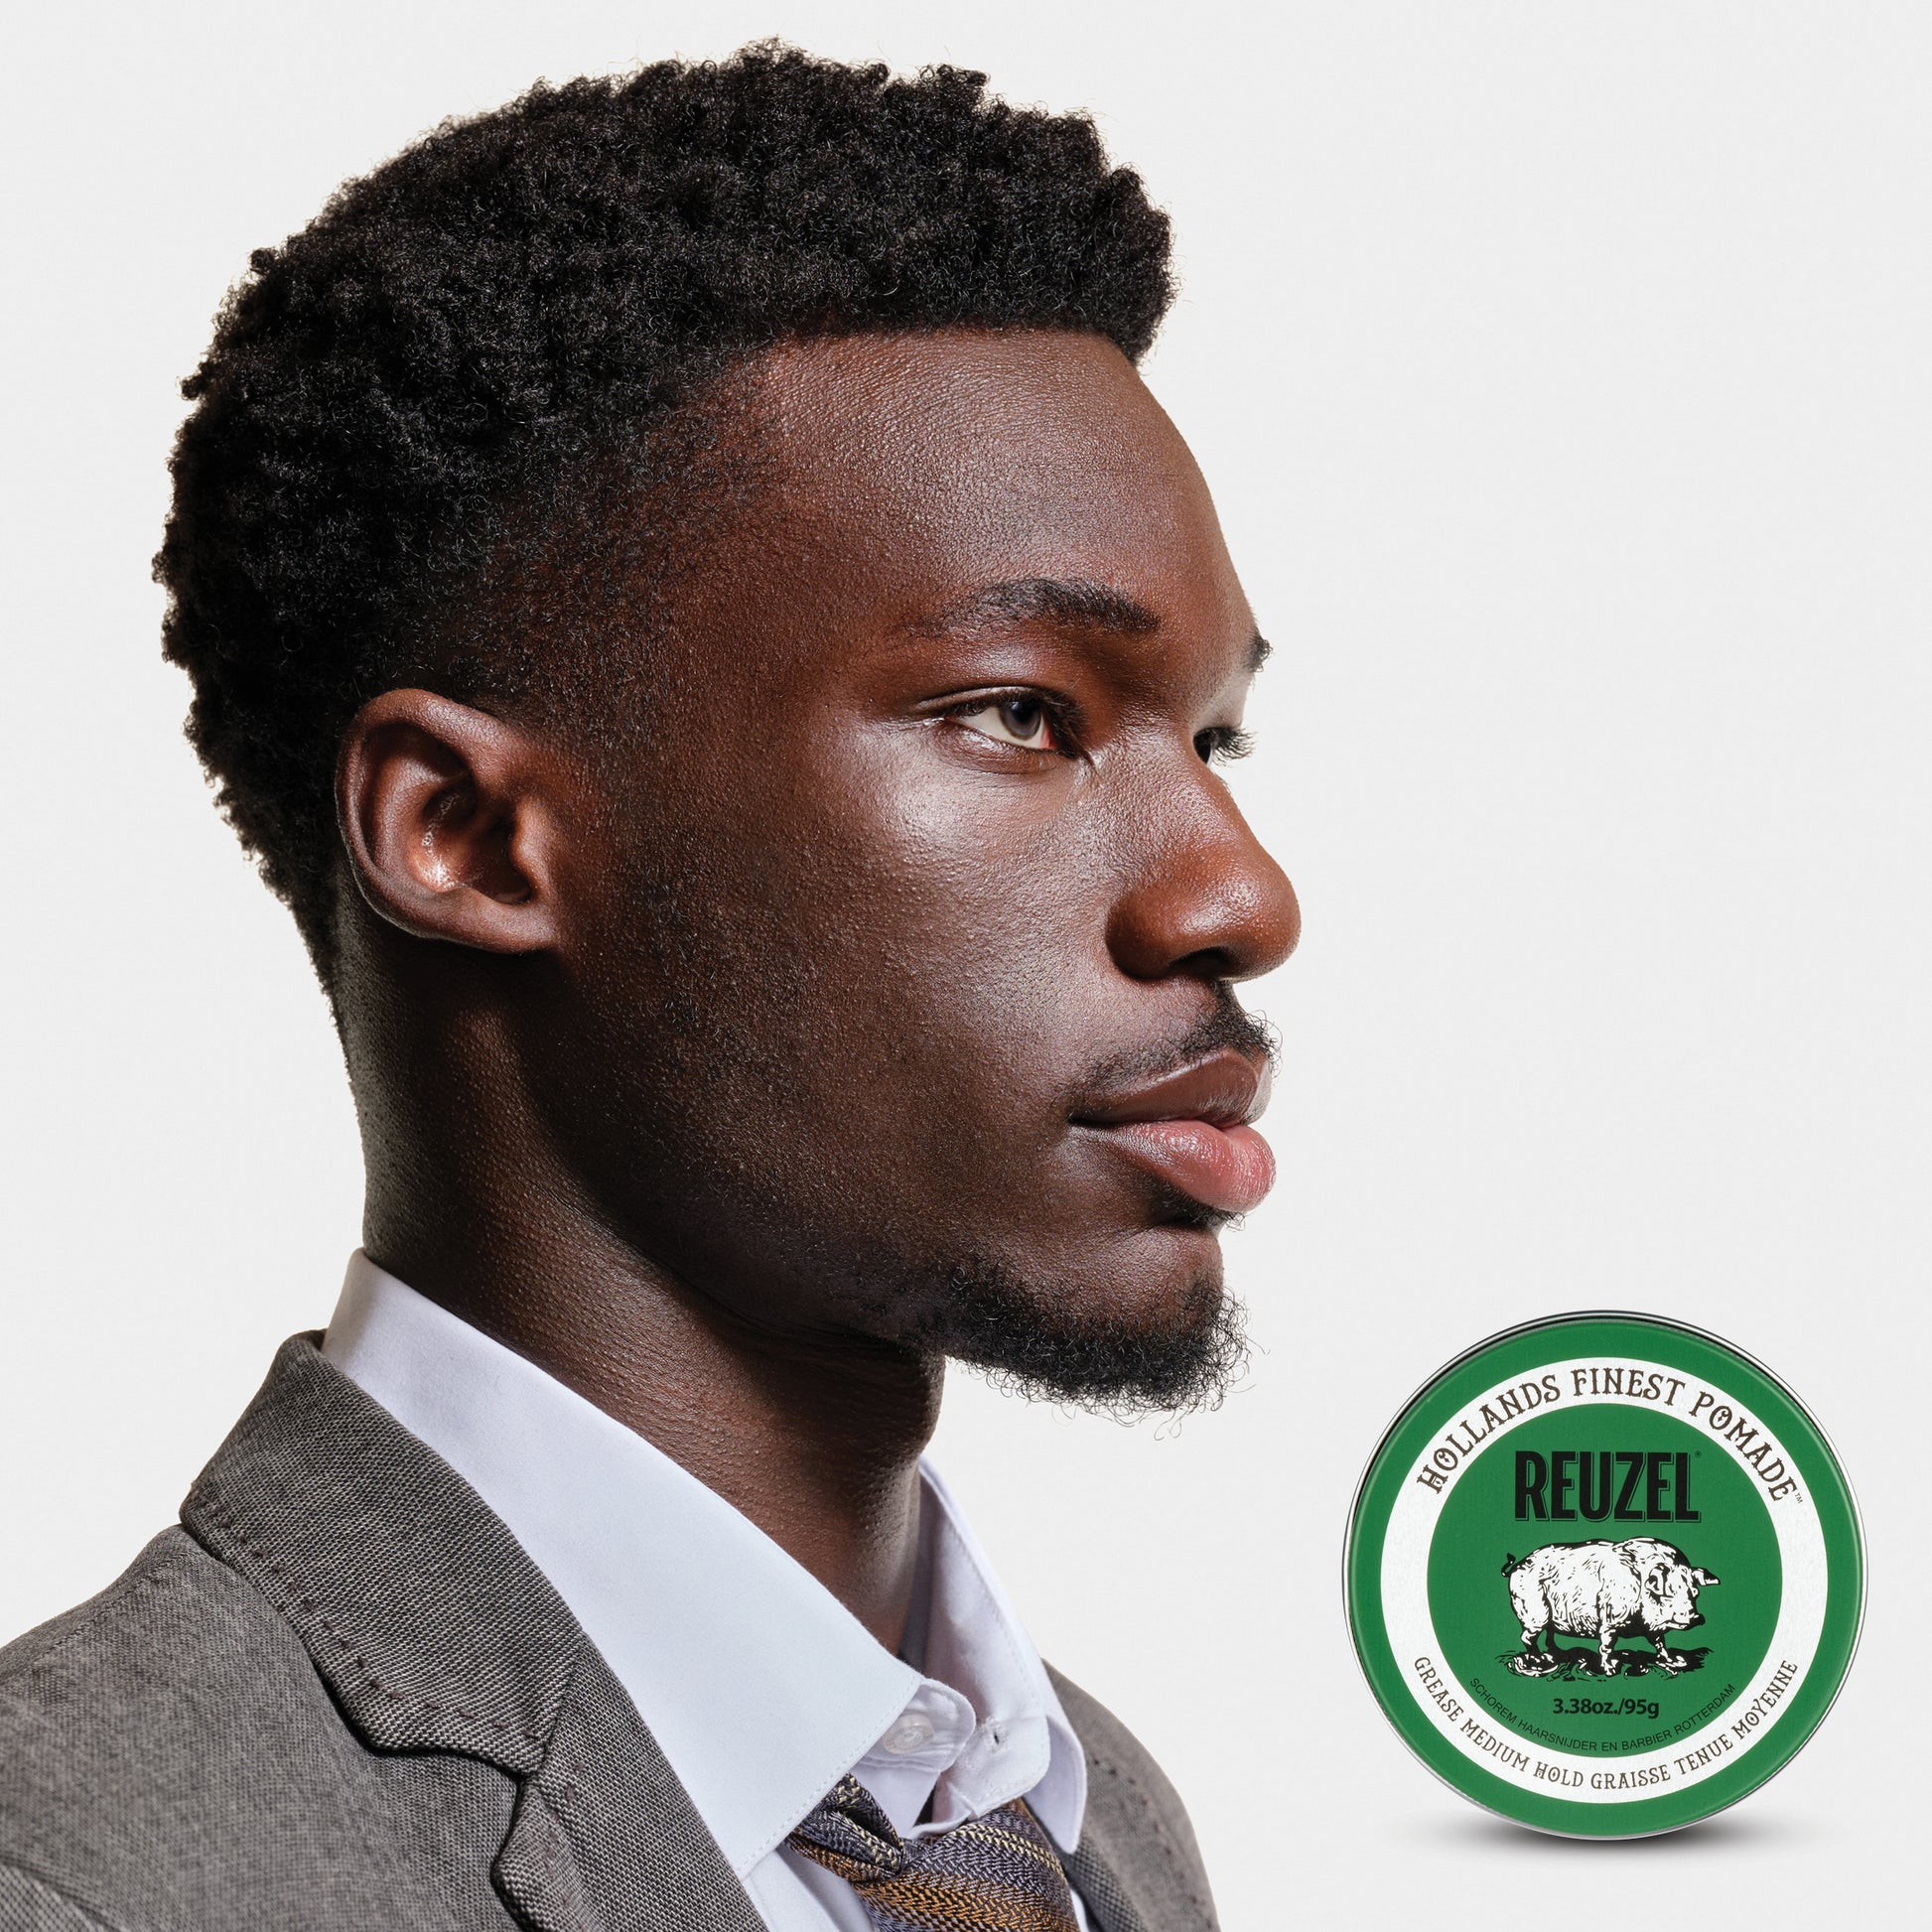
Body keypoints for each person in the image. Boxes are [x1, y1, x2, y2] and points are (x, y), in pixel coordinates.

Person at [0, 45, 1297, 1932]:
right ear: (465, 836)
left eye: (1214, 737)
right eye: (1024, 714)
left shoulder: (1075, 1827)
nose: (1237, 893)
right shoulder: (85, 1872)